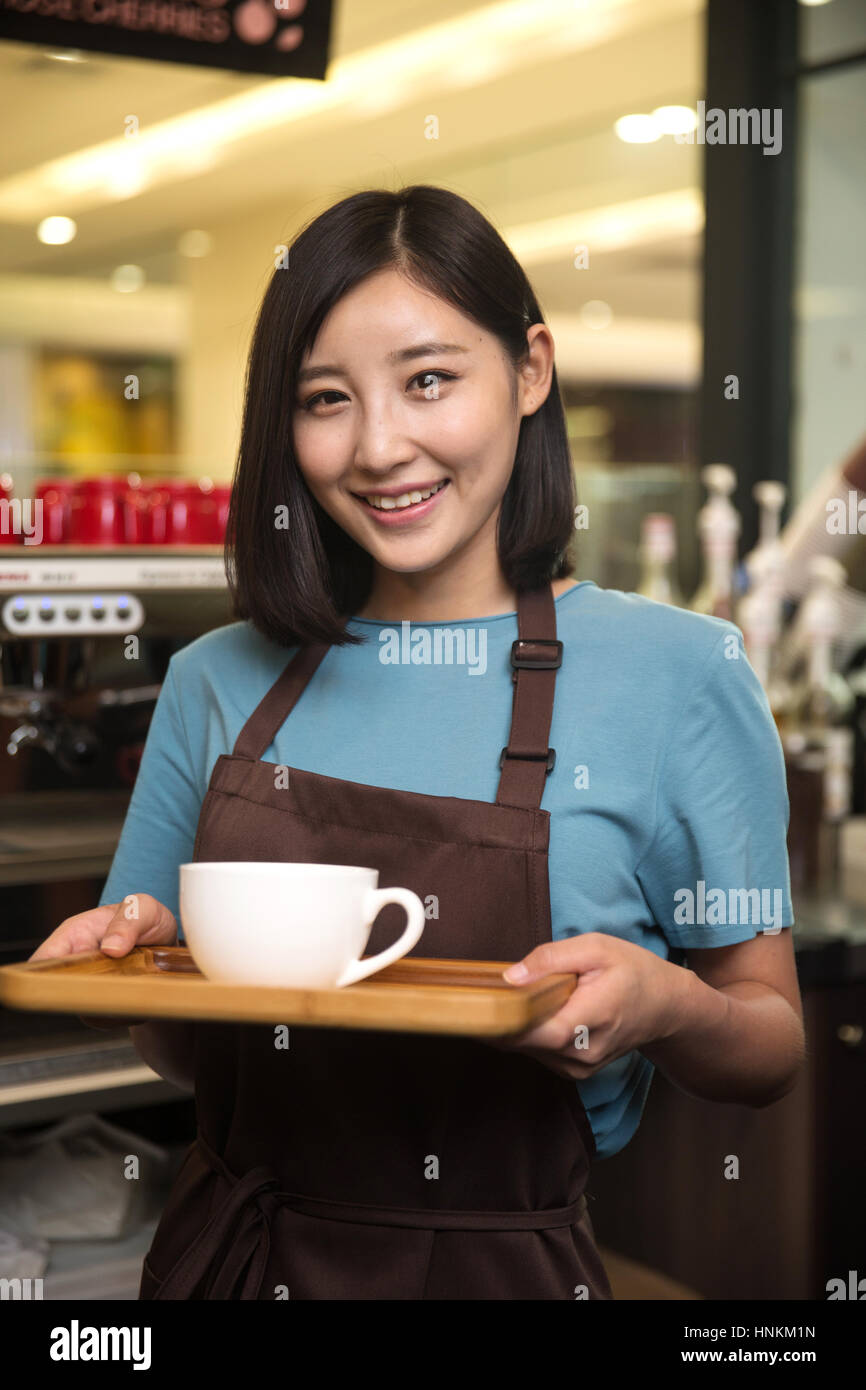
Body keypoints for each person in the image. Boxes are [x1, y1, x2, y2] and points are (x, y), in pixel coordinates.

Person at [32, 184, 805, 1301]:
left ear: (529, 369)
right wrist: (143, 958)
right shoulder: (216, 680)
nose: (379, 446)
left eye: (428, 379)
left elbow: (769, 1047)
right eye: (325, 398)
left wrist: (664, 1003)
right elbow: (184, 1051)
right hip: (230, 1262)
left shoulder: (681, 672)